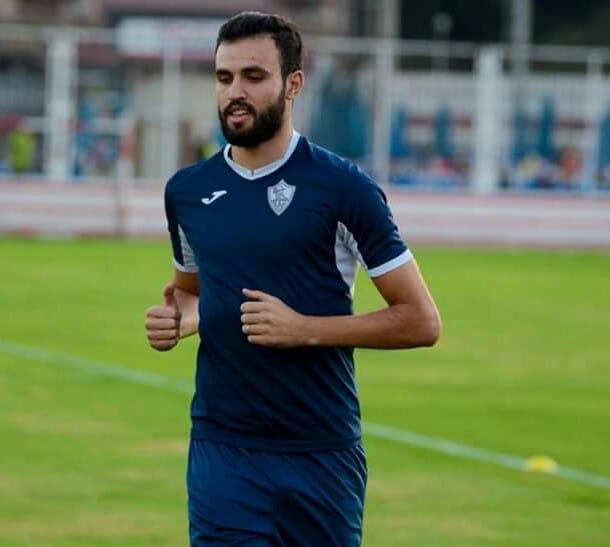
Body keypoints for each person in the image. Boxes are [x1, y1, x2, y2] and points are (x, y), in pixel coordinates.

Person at [145, 11, 441, 547]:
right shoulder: (187, 192)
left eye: (254, 76)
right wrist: (177, 321)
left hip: (321, 455)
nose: (235, 92)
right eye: (224, 77)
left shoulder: (344, 188)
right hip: (223, 452)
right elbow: (190, 294)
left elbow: (420, 321)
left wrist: (305, 329)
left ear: (293, 83)